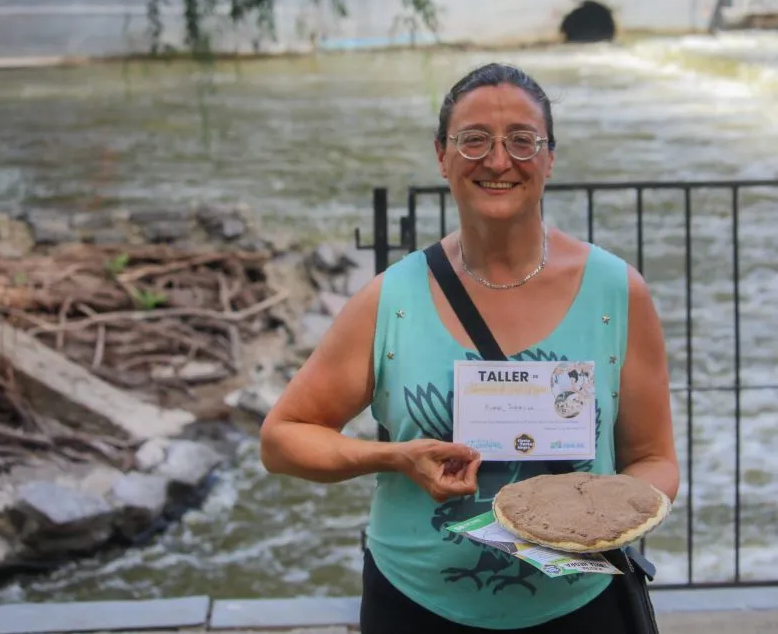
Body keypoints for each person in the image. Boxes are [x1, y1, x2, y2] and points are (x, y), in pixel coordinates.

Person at [260, 62, 679, 633]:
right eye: (474, 140)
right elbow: (282, 440)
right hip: (417, 604)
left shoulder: (615, 292)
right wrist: (393, 457)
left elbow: (654, 458)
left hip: (580, 605)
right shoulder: (393, 299)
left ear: (550, 157)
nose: (499, 161)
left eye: (522, 141)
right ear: (442, 155)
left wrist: (602, 513)